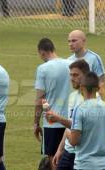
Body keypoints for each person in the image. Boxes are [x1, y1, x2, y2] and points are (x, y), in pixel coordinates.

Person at [67, 72, 105, 170]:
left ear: (82, 88)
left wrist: (67, 132)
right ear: (98, 88)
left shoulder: (80, 109)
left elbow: (74, 141)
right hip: (104, 165)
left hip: (84, 165)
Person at [45, 59, 90, 170]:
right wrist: (60, 149)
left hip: (82, 154)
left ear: (86, 76)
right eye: (70, 75)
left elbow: (81, 128)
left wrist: (58, 118)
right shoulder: (73, 96)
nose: (72, 78)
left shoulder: (91, 100)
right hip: (68, 152)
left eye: (75, 75)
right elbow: (69, 128)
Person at [34, 38, 71, 170]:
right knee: (71, 158)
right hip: (70, 121)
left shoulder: (43, 69)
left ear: (42, 52)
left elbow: (39, 99)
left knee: (54, 160)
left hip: (52, 122)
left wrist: (36, 123)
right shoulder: (71, 64)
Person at [67, 30, 105, 97]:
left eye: (74, 41)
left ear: (83, 41)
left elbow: (101, 82)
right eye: (69, 41)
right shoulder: (68, 60)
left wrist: (98, 101)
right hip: (74, 100)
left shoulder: (94, 58)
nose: (70, 44)